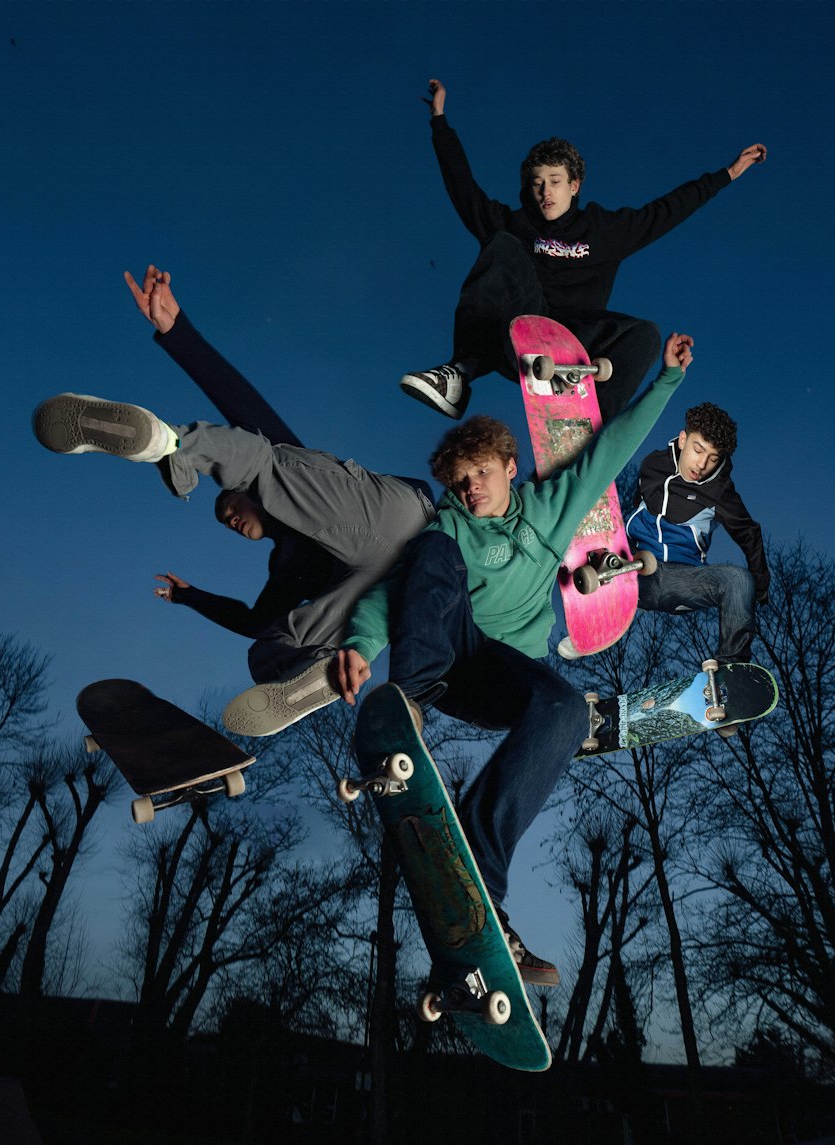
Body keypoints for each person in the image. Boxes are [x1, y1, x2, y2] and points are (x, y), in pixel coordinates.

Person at [335, 331, 693, 985]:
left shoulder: (549, 509)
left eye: (481, 475)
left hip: (506, 673)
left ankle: (478, 883)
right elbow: (397, 596)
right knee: (431, 552)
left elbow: (611, 447)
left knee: (564, 707)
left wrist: (665, 380)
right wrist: (361, 647)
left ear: (506, 464)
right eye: (461, 481)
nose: (471, 490)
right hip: (447, 658)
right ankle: (408, 704)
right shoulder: (449, 526)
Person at [32, 270, 436, 735]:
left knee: (266, 460)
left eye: (230, 510)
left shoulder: (293, 477)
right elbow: (251, 620)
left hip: (403, 521)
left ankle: (165, 444)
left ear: (245, 498)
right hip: (389, 589)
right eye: (227, 526)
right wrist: (190, 597)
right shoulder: (286, 569)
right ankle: (318, 672)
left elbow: (240, 402)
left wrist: (177, 331)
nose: (231, 523)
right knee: (268, 646)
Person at [400, 78, 765, 424]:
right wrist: (439, 122)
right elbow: (463, 188)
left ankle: (591, 429)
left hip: (576, 345)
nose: (546, 192)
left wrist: (728, 174)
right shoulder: (514, 223)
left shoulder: (606, 229)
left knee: (645, 335)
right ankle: (458, 375)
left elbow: (666, 210)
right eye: (538, 184)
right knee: (501, 244)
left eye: (556, 182)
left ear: (574, 185)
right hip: (520, 334)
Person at [625, 402, 770, 695]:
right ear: (682, 440)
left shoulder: (720, 492)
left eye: (713, 458)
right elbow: (633, 506)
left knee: (739, 579)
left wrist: (760, 583)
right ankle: (585, 633)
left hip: (684, 580)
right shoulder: (652, 465)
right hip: (637, 572)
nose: (701, 465)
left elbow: (748, 532)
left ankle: (729, 681)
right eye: (698, 449)